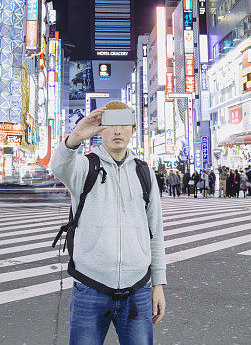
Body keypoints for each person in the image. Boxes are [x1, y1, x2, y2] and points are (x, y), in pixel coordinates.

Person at [50, 101, 166, 344]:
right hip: (90, 287)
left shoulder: (144, 173)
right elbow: (58, 167)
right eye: (110, 124)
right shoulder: (84, 167)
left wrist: (158, 284)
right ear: (100, 129)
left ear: (133, 129)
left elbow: (155, 231)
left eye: (124, 124)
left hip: (139, 289)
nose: (117, 131)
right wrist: (75, 137)